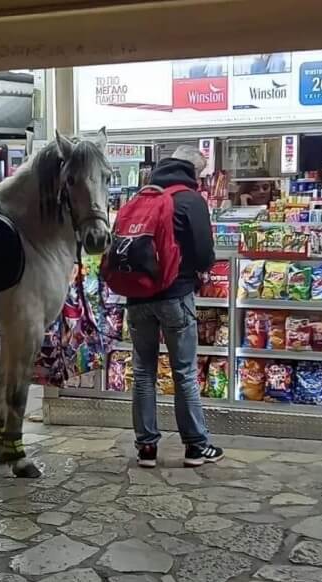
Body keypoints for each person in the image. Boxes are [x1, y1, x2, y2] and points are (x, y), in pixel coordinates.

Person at [126, 145, 224, 468]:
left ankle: (146, 448)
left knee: (143, 372)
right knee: (184, 373)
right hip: (175, 296)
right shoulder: (190, 199)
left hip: (137, 299)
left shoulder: (142, 197)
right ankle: (196, 446)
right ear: (193, 172)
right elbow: (204, 253)